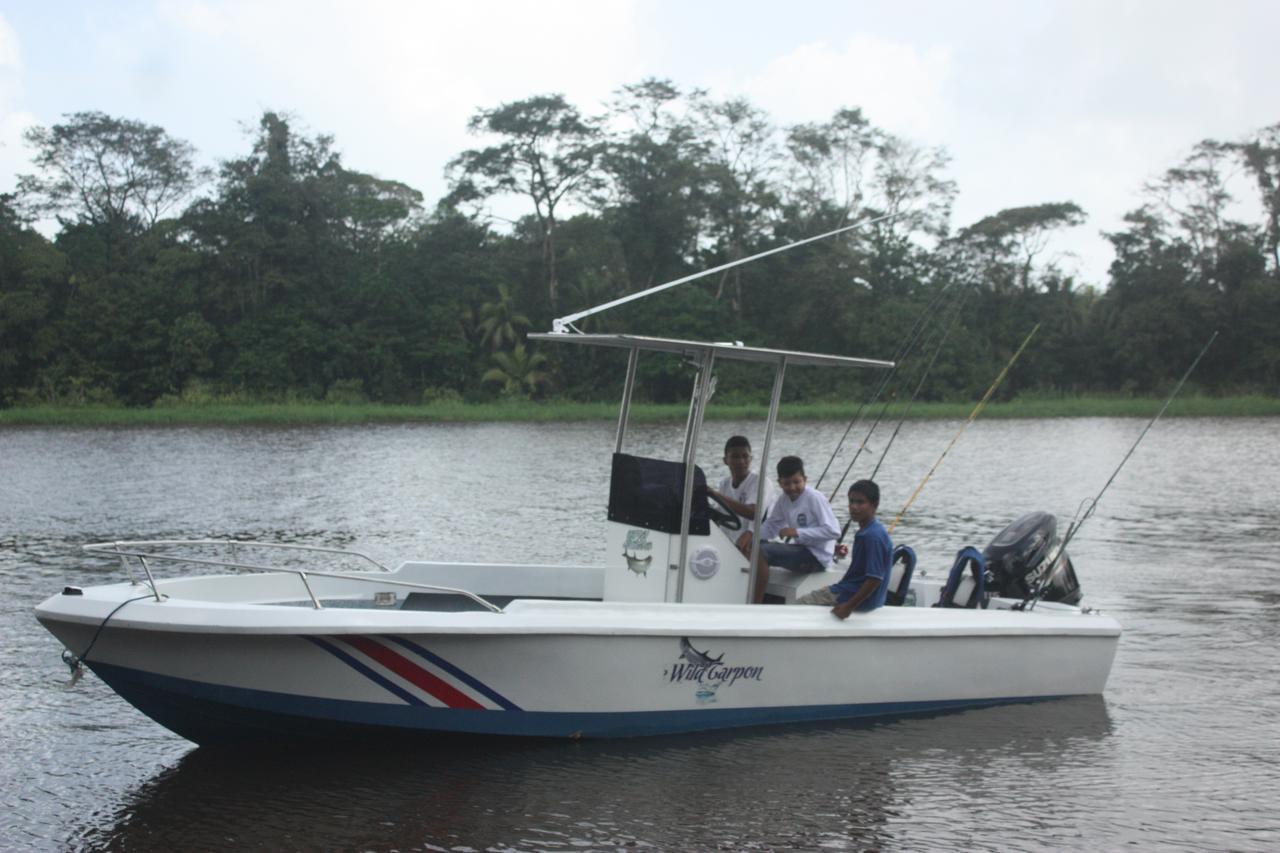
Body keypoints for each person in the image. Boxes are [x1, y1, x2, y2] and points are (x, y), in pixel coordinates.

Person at [739, 455, 840, 603]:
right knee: (752, 546)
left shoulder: (814, 497)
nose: (792, 487)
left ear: (805, 479)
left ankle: (755, 604)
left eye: (797, 482)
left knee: (760, 551)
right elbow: (771, 526)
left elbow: (834, 531)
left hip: (816, 557)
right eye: (787, 483)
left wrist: (797, 532)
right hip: (800, 549)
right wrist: (751, 535)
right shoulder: (783, 500)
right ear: (780, 483)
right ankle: (744, 595)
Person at [796, 479, 892, 618]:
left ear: (874, 505)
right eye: (851, 501)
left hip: (852, 595)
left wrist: (849, 606)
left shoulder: (872, 536)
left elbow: (875, 578)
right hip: (850, 590)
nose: (853, 507)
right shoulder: (870, 531)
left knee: (798, 605)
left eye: (860, 502)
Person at [707, 435, 778, 544]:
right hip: (728, 542)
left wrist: (715, 495)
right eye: (735, 457)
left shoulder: (761, 482)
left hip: (752, 543)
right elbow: (719, 515)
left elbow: (753, 513)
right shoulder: (724, 484)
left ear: (751, 458)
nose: (741, 461)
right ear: (725, 460)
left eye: (745, 456)